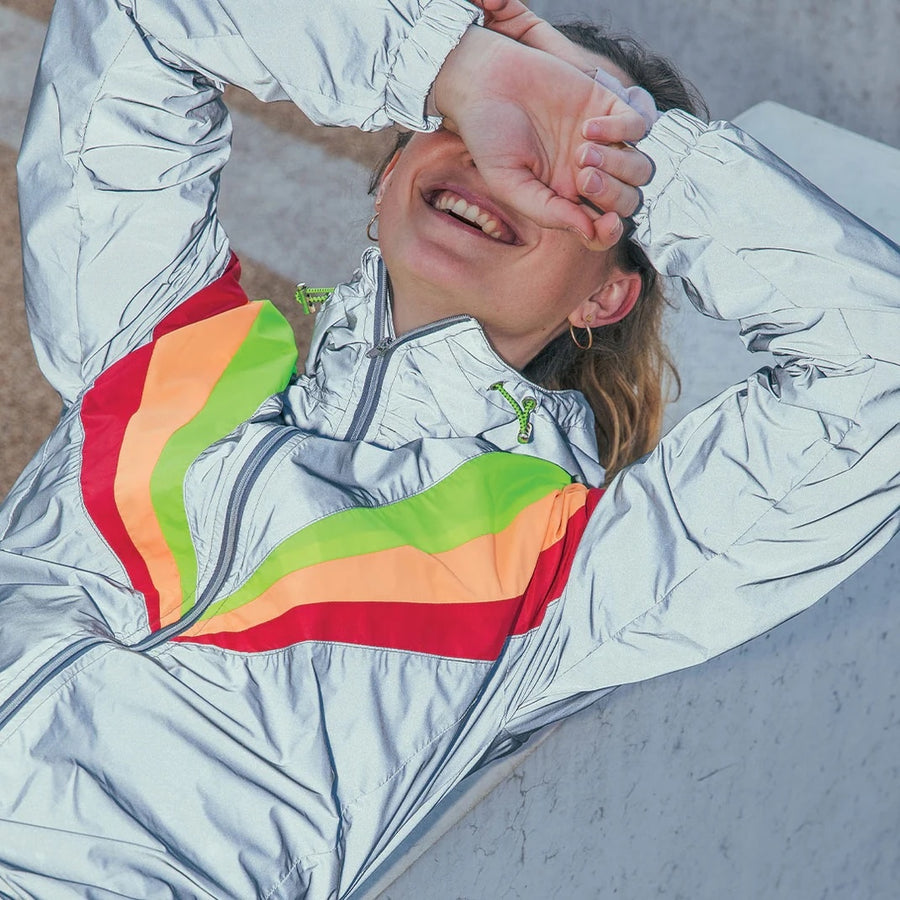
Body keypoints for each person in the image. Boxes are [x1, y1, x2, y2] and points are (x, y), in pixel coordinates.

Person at [0, 0, 897, 897]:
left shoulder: (570, 575)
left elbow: (879, 373)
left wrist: (641, 157)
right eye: (472, 125)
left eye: (567, 173)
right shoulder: (164, 344)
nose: (501, 165)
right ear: (389, 175)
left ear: (605, 296)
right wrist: (447, 63)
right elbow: (136, 18)